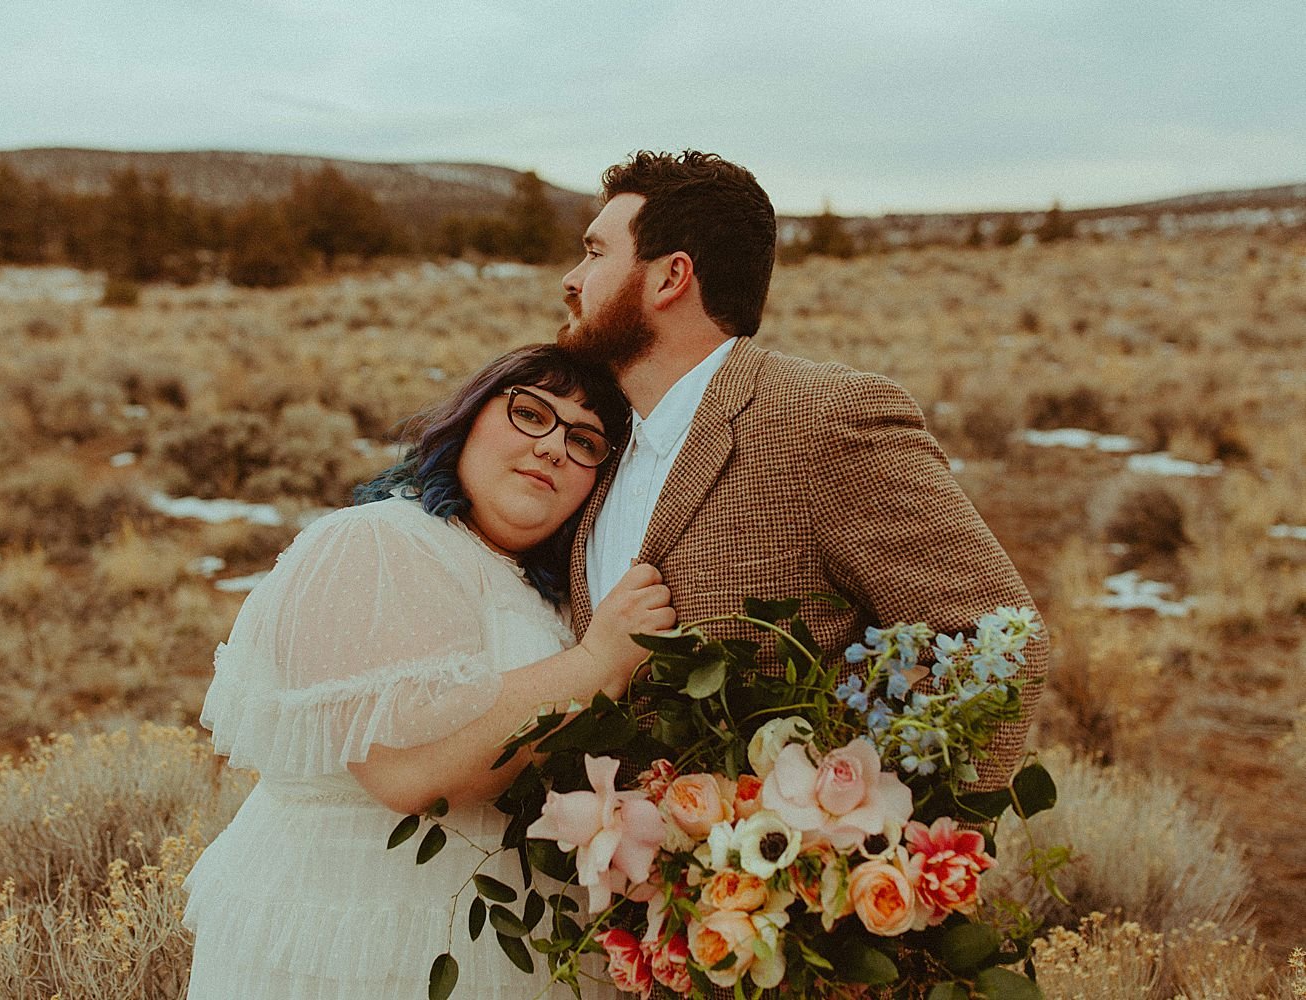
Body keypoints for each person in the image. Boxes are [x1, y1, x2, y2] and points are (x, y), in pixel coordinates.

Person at [183, 344, 675, 1000]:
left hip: (513, 941)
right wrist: (597, 663)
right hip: (356, 941)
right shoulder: (376, 543)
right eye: (531, 413)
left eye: (585, 441)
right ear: (470, 419)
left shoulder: (553, 596)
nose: (555, 447)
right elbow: (407, 771)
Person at [560, 150, 1048, 794]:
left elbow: (1002, 652)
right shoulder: (596, 442)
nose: (572, 278)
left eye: (595, 254)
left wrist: (844, 837)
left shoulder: (826, 419)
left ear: (670, 277)